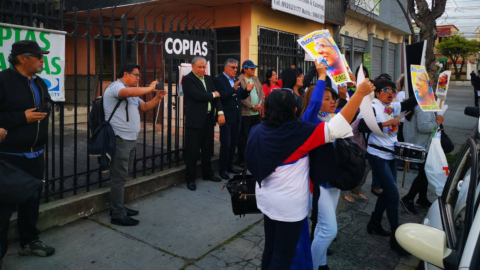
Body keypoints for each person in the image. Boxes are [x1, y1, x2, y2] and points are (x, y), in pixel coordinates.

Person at [245, 74, 375, 269]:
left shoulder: (257, 130)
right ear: (295, 110)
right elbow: (338, 127)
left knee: (270, 248)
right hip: (289, 207)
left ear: (266, 109)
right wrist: (359, 93)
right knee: (283, 256)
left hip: (265, 199)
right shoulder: (301, 133)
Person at [0, 40, 55, 259]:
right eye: (39, 57)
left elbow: (47, 104)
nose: (43, 60)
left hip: (36, 154)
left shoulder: (40, 83)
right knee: (3, 209)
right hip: (10, 157)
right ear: (23, 58)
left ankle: (29, 241)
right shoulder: (3, 81)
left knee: (32, 202)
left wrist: (45, 108)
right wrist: (22, 117)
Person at [358, 79, 418, 255]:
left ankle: (375, 222)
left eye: (392, 89)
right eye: (386, 89)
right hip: (377, 156)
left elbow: (408, 103)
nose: (390, 92)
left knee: (387, 192)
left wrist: (423, 90)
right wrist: (385, 124)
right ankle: (396, 237)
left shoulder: (392, 106)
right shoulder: (373, 106)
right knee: (393, 194)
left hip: (391, 155)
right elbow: (362, 126)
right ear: (377, 93)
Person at [104, 63, 166, 226]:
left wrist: (157, 97)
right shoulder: (116, 87)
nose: (139, 78)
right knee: (118, 177)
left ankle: (119, 207)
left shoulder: (132, 93)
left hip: (130, 139)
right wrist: (150, 88)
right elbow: (128, 92)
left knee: (123, 176)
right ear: (126, 74)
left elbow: (144, 107)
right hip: (120, 140)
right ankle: (117, 213)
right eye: (136, 75)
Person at [300, 62, 343, 270]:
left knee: (323, 226)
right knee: (329, 230)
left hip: (333, 179)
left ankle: (322, 263)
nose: (332, 101)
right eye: (327, 99)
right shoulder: (309, 121)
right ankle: (311, 266)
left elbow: (352, 110)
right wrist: (322, 76)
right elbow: (314, 102)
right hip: (318, 182)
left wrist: (353, 90)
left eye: (332, 98)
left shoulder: (332, 118)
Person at [183, 56, 224, 190]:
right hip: (194, 120)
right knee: (192, 151)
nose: (202, 69)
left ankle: (208, 174)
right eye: (199, 67)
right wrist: (213, 95)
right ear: (192, 67)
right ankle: (190, 178)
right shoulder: (188, 79)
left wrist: (220, 112)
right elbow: (197, 96)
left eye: (203, 67)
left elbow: (217, 98)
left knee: (207, 149)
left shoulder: (208, 78)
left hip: (208, 119)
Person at [400, 104, 443, 214]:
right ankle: (408, 198)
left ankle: (422, 198)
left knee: (424, 172)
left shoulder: (418, 105)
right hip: (420, 146)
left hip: (418, 144)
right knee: (425, 173)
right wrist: (438, 121)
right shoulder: (423, 107)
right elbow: (423, 127)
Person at [214, 59, 252, 180]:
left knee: (234, 142)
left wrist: (247, 91)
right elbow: (220, 96)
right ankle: (223, 169)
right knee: (226, 143)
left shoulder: (236, 80)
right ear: (225, 67)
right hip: (226, 116)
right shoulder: (218, 80)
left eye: (236, 68)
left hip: (237, 116)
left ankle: (230, 166)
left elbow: (240, 96)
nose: (235, 70)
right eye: (232, 67)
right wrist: (233, 89)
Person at [236, 60, 264, 167]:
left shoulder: (255, 78)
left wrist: (260, 104)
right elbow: (241, 98)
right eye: (251, 68)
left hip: (256, 113)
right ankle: (242, 159)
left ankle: (253, 157)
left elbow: (261, 92)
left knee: (255, 136)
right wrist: (252, 106)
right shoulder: (240, 80)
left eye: (254, 68)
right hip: (245, 113)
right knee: (243, 137)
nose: (254, 70)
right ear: (245, 69)